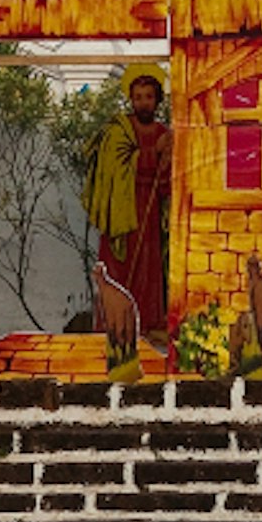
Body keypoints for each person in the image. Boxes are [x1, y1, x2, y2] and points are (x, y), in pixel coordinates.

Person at [86, 69, 175, 339]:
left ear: (157, 100)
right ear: (131, 100)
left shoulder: (163, 132)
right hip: (121, 210)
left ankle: (146, 324)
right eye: (138, 97)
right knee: (117, 270)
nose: (143, 102)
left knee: (149, 271)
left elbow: (168, 176)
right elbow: (113, 166)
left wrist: (166, 163)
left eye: (148, 97)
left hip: (149, 214)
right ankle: (111, 326)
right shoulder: (119, 130)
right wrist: (152, 153)